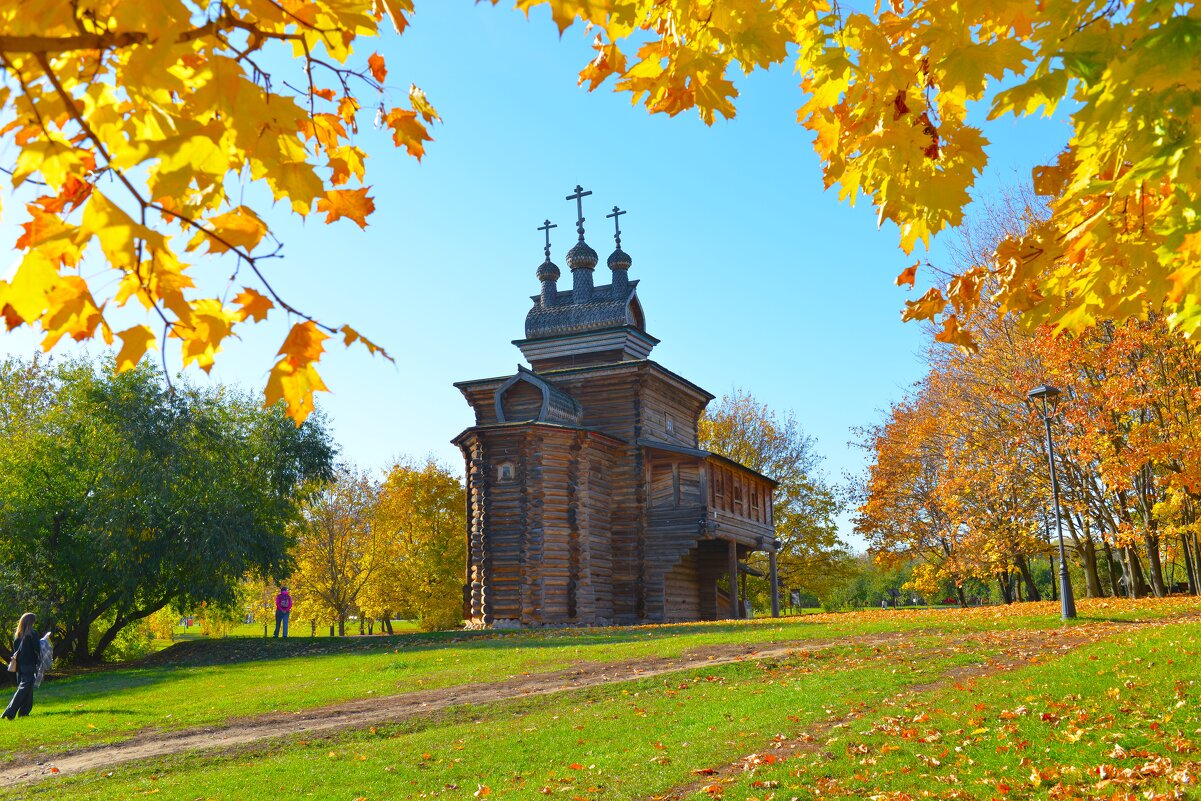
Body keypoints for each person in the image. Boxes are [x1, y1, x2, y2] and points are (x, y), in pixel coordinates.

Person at [4, 613, 39, 720]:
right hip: (30, 665)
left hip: (20, 666)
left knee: (27, 689)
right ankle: (9, 711)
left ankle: (24, 712)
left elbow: (16, 652)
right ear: (31, 622)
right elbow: (37, 648)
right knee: (24, 689)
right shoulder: (32, 634)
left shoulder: (18, 636)